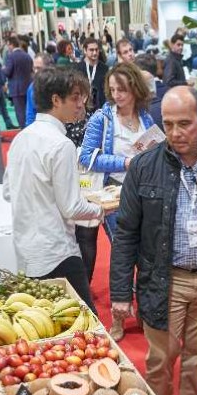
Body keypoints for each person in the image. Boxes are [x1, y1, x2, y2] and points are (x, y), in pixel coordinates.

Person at [110, 86, 197, 395]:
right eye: (168, 124)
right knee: (161, 358)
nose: (175, 133)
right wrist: (120, 293)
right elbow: (126, 232)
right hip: (165, 281)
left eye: (184, 124)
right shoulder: (145, 166)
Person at [3, 67, 103, 309]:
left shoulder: (21, 138)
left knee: (48, 322)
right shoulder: (61, 144)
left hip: (26, 251)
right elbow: (71, 208)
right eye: (75, 98)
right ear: (56, 100)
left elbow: (7, 191)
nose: (80, 105)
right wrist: (101, 209)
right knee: (86, 323)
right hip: (57, 253)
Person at [79, 62, 156, 337]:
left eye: (122, 89)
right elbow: (87, 157)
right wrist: (125, 162)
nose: (117, 95)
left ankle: (145, 313)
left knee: (147, 254)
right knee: (123, 255)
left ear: (135, 88)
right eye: (112, 89)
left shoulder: (145, 116)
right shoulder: (102, 118)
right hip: (114, 194)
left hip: (145, 191)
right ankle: (118, 320)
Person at [4, 35, 34, 129]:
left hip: (16, 89)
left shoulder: (11, 56)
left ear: (11, 45)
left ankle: (24, 130)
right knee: (28, 111)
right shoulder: (27, 56)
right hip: (28, 86)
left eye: (8, 45)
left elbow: (7, 72)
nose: (8, 47)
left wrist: (3, 69)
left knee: (20, 112)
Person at [77, 38, 108, 112]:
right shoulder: (77, 68)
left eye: (96, 50)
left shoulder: (104, 68)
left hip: (100, 109)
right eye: (91, 50)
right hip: (81, 108)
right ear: (85, 50)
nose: (95, 53)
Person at [24, 52, 52, 128]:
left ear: (49, 67)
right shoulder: (32, 87)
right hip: (40, 128)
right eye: (34, 68)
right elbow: (30, 114)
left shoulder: (60, 84)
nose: (36, 71)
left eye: (39, 68)